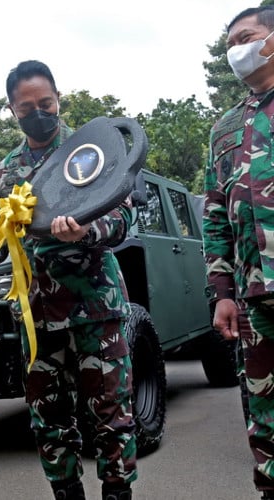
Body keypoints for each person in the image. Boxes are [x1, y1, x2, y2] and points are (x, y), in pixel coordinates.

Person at [0, 60, 136, 500]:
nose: (38, 112)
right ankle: (66, 493)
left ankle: (117, 492)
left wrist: (87, 231)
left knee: (110, 413)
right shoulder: (6, 171)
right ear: (12, 110)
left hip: (95, 303)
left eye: (46, 103)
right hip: (37, 313)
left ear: (59, 99)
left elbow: (123, 217)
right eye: (26, 107)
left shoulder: (91, 149)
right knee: (48, 418)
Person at [204, 6, 274, 500]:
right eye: (230, 43)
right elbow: (214, 215)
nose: (236, 51)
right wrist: (222, 292)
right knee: (265, 417)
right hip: (254, 300)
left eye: (246, 37)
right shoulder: (224, 128)